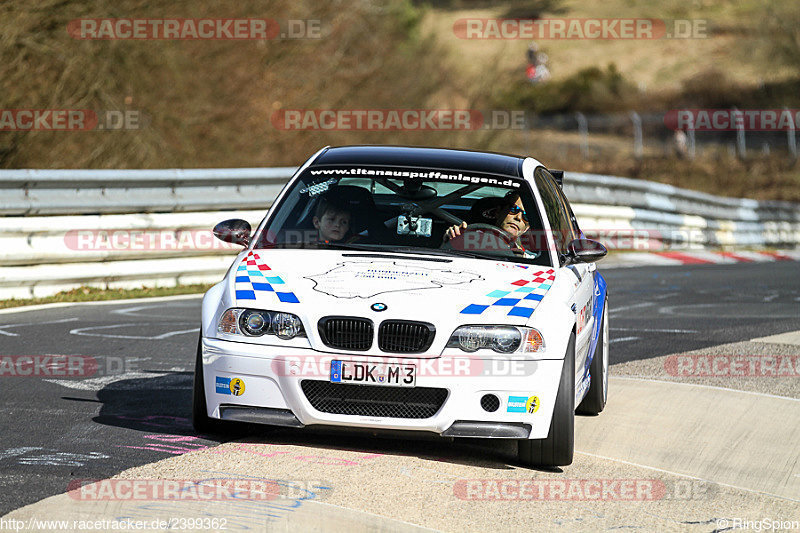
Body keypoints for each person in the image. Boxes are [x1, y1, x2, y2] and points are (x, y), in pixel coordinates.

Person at [443, 192, 537, 257]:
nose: (519, 218)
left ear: (526, 228)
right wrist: (451, 238)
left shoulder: (531, 259)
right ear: (498, 212)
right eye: (513, 209)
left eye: (526, 217)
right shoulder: (468, 237)